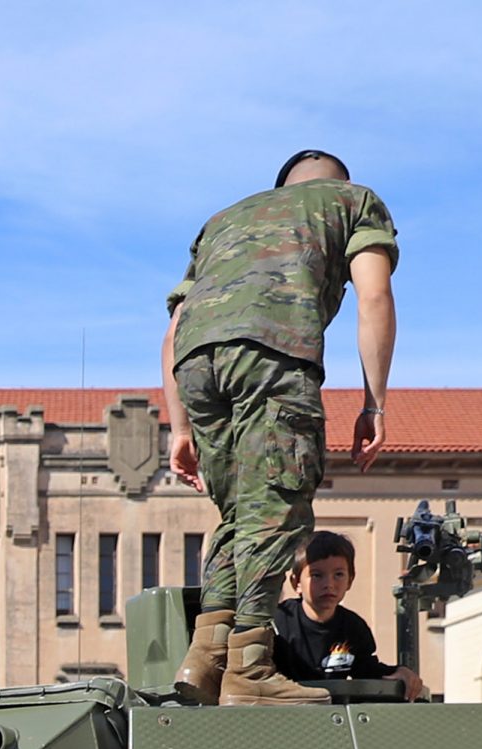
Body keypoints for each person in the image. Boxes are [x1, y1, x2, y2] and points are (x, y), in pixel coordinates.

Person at [164, 149, 398, 706]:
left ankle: (207, 658)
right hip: (272, 351)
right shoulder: (352, 201)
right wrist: (375, 403)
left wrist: (178, 427)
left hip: (196, 364)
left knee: (242, 514)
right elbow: (375, 294)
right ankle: (249, 671)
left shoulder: (223, 221)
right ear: (338, 184)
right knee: (280, 506)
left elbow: (174, 327)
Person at [272, 531, 424, 699]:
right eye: (317, 575)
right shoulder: (277, 624)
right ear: (296, 583)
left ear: (350, 580)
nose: (329, 584)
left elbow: (367, 670)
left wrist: (400, 672)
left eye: (338, 575)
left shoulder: (353, 628)